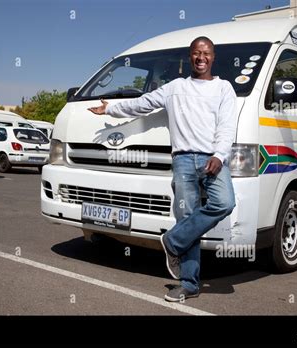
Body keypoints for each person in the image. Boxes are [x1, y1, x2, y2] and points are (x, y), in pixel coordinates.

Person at [88, 36, 237, 302]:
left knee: (225, 203)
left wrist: (219, 155)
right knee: (187, 217)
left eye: (205, 53)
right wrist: (110, 108)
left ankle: (172, 241)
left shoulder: (224, 88)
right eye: (195, 53)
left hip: (212, 159)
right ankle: (189, 284)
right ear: (189, 57)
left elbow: (227, 126)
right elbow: (142, 103)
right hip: (182, 160)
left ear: (213, 57)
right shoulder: (175, 88)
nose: (200, 57)